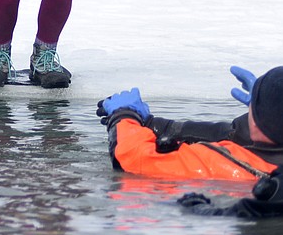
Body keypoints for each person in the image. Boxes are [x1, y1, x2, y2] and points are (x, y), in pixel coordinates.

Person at [96, 65, 283, 181]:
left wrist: (124, 116)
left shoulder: (216, 164)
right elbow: (231, 135)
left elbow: (133, 160)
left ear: (257, 125)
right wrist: (156, 125)